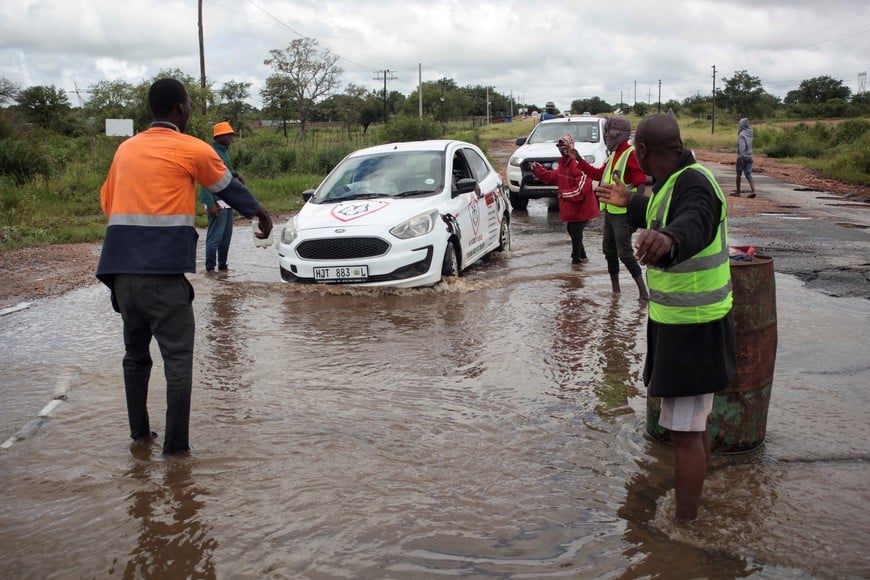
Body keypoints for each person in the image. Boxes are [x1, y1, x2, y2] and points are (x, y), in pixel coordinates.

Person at [96, 78, 273, 456]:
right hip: (162, 275)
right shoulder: (190, 148)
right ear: (179, 108)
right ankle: (176, 454)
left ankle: (140, 438)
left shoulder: (125, 150)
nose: (190, 111)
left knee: (135, 356)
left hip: (121, 275)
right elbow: (229, 188)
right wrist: (261, 214)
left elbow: (107, 203)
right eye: (189, 104)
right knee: (177, 360)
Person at [594, 113, 736, 521]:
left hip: (695, 327)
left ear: (640, 152)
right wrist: (631, 203)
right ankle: (696, 504)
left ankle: (685, 528)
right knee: (694, 424)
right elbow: (663, 211)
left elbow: (694, 221)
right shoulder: (672, 180)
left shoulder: (696, 183)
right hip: (680, 324)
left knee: (685, 433)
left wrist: (670, 239)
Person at [574, 116, 649, 300]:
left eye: (609, 133)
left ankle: (643, 293)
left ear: (619, 135)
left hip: (624, 214)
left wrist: (635, 217)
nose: (607, 136)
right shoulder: (614, 155)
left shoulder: (629, 154)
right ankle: (616, 291)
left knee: (625, 253)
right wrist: (578, 159)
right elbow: (597, 173)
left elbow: (641, 184)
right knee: (609, 251)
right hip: (611, 212)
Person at [531, 134, 599, 263]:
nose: (562, 149)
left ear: (571, 146)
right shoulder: (563, 165)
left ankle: (576, 261)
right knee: (573, 230)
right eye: (560, 146)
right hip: (572, 209)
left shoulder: (578, 165)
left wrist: (563, 194)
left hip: (583, 209)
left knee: (575, 231)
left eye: (564, 146)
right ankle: (582, 258)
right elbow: (552, 177)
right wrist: (538, 171)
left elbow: (581, 191)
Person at [201, 121, 243, 272]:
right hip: (216, 201)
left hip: (227, 200)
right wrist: (209, 203)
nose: (231, 139)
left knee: (225, 238)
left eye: (231, 136)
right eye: (228, 136)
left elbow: (223, 173)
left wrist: (235, 174)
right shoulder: (211, 153)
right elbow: (204, 178)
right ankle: (210, 269)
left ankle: (223, 267)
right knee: (214, 238)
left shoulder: (223, 152)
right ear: (219, 136)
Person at [733, 117, 756, 198]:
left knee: (738, 174)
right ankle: (753, 190)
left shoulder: (742, 134)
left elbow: (742, 147)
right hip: (750, 156)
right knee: (748, 174)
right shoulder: (750, 132)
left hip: (742, 157)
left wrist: (741, 157)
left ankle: (738, 192)